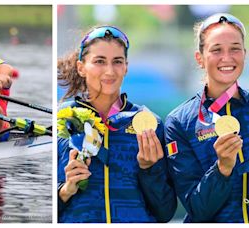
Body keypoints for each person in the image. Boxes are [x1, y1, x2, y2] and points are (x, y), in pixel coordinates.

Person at [57, 25, 177, 223]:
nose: (110, 71)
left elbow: (165, 212)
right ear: (81, 67)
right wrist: (65, 190)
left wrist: (149, 170)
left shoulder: (149, 124)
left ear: (126, 67)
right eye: (99, 61)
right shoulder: (62, 120)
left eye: (117, 62)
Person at [165, 13, 248, 222]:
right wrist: (222, 169)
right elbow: (197, 208)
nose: (227, 58)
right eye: (216, 49)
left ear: (244, 54)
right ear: (199, 58)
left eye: (235, 49)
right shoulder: (179, 122)